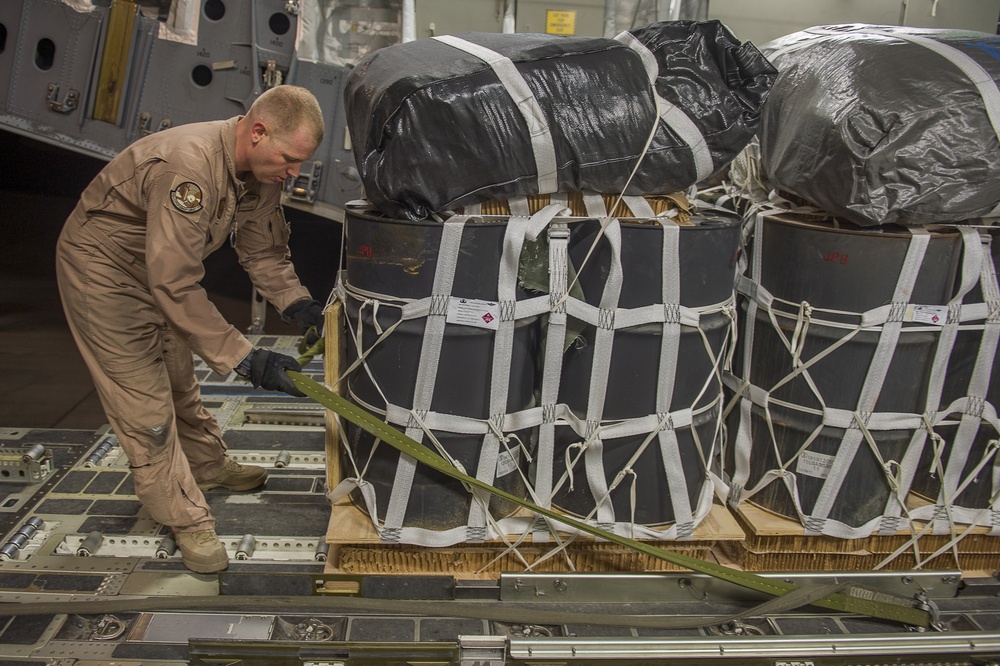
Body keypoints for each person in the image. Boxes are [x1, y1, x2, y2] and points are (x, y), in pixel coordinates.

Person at [55, 85, 326, 574]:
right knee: (147, 405)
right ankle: (185, 518)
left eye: (300, 163)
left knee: (179, 377)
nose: (294, 173)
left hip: (158, 268)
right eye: (290, 159)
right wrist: (248, 358)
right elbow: (175, 280)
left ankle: (205, 465)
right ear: (258, 132)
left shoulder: (263, 171)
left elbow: (262, 249)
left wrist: (298, 302)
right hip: (106, 272)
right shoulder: (190, 165)